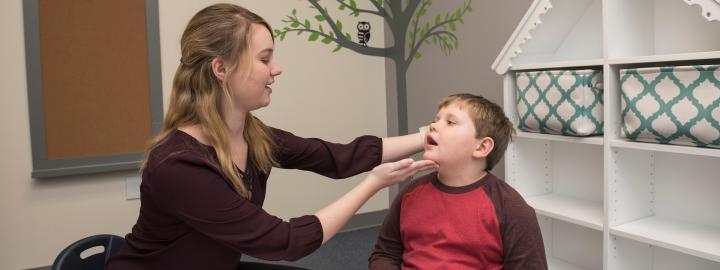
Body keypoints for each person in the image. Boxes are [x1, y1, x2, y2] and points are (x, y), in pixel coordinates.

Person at [105, 4, 436, 270]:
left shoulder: (254, 136)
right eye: (264, 59)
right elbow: (284, 242)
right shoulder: (178, 165)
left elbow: (336, 157)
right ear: (221, 69)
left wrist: (428, 136)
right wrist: (374, 184)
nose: (276, 69)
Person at [368, 93, 548, 270]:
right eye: (435, 120)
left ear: (481, 147)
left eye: (450, 122)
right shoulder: (410, 194)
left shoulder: (510, 207)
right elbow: (384, 254)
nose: (433, 126)